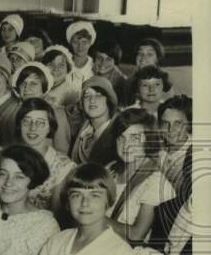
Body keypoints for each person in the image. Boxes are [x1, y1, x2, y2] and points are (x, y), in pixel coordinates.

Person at [106, 107, 176, 245]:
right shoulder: (110, 169)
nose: (126, 145)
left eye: (135, 138)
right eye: (121, 138)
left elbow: (137, 235)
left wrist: (96, 219)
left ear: (148, 141)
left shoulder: (154, 182)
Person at [16, 98, 74, 211]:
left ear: (50, 127)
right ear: (19, 125)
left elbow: (57, 216)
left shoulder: (63, 166)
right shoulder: (8, 158)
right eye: (27, 121)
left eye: (40, 123)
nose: (32, 128)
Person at [14, 62, 73, 155]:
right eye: (23, 83)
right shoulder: (15, 110)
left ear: (44, 87)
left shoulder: (56, 113)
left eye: (33, 83)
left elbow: (62, 150)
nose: (27, 88)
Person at [70, 76, 119, 166]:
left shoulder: (118, 134)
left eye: (99, 95)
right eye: (87, 96)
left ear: (109, 100)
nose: (92, 100)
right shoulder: (83, 130)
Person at [157, 95, 192, 194]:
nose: (170, 129)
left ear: (189, 125)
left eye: (178, 123)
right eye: (165, 123)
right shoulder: (157, 148)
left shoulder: (194, 155)